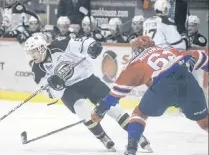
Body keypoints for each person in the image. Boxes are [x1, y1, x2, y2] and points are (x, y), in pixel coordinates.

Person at [24, 35, 152, 152]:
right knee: (82, 109)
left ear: (41, 48)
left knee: (113, 108)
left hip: (87, 79)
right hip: (68, 90)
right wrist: (57, 87)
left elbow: (81, 43)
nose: (32, 56)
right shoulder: (37, 70)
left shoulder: (59, 45)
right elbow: (52, 95)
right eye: (30, 53)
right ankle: (103, 137)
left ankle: (137, 136)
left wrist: (91, 46)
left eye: (33, 51)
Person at [91, 35, 209, 155]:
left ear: (137, 49)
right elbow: (201, 57)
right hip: (186, 80)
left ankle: (131, 148)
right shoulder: (168, 49)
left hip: (162, 85)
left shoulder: (135, 63)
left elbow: (114, 95)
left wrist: (100, 109)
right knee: (204, 121)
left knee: (140, 113)